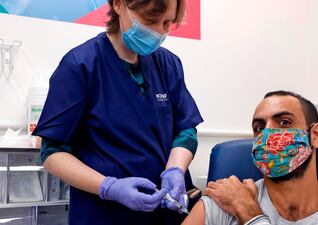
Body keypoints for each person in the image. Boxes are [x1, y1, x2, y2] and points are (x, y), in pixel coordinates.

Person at [32, 0, 203, 224]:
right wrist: (110, 187)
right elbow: (53, 153)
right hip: (102, 214)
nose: (160, 31)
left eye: (168, 23)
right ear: (119, 4)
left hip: (164, 212)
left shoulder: (168, 64)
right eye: (151, 20)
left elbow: (185, 129)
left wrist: (175, 169)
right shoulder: (81, 65)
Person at [182, 90, 318, 225]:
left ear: (315, 135)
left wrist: (249, 213)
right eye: (259, 127)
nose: (267, 135)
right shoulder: (224, 200)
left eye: (283, 122)